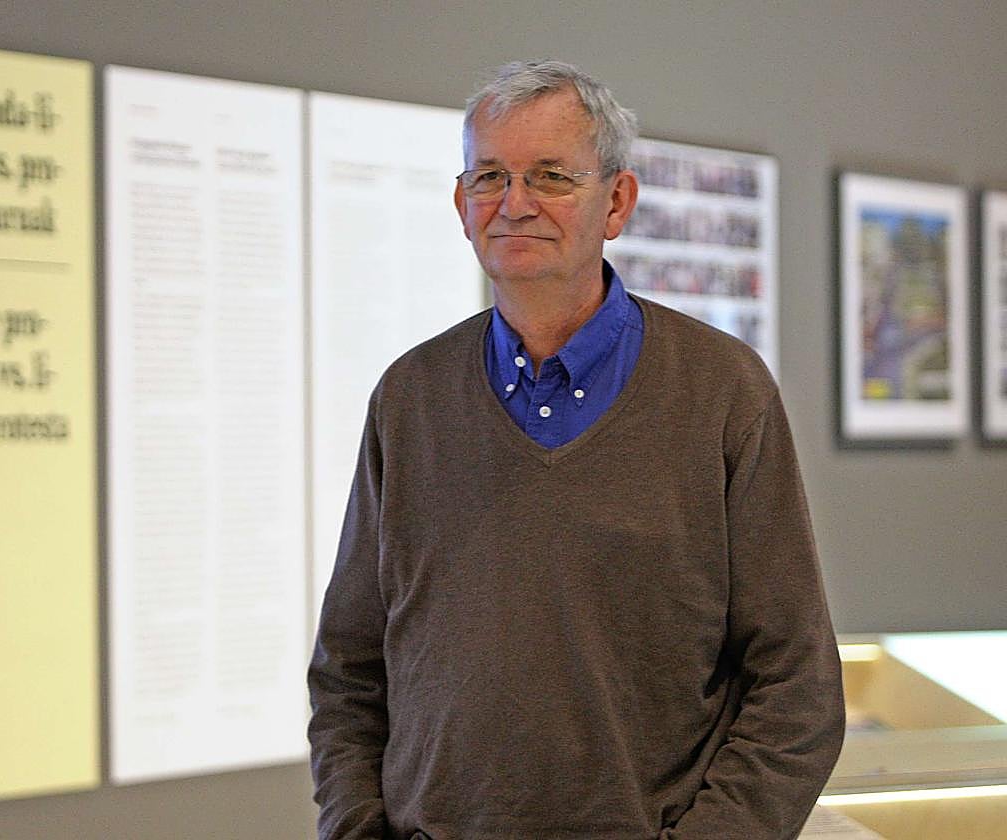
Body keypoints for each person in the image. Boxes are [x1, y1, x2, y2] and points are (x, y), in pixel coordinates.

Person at [307, 59, 845, 840]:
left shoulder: (723, 391)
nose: (513, 203)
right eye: (489, 176)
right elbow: (350, 671)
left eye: (551, 177)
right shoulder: (409, 398)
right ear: (461, 206)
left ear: (617, 201)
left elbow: (797, 688)